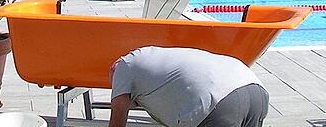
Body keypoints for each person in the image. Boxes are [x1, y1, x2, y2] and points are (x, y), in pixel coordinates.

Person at [109, 47, 269, 127]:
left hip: (219, 102)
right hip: (254, 88)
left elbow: (117, 122)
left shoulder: (123, 66)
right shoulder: (154, 58)